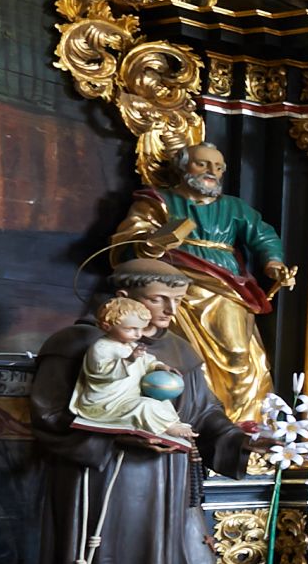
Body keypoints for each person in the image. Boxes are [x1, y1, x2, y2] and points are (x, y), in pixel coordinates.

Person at [27, 261, 260, 564]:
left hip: (171, 492)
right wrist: (120, 437)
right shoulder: (75, 344)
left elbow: (204, 415)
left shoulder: (179, 351)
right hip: (105, 489)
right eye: (159, 299)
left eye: (178, 300)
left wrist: (246, 441)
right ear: (123, 298)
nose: (171, 310)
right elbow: (49, 417)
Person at [106, 141, 292, 426]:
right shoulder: (158, 201)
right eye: (202, 164)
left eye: (217, 167)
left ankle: (238, 423)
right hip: (172, 286)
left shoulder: (234, 207)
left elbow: (263, 236)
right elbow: (130, 237)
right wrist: (151, 244)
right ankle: (187, 418)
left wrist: (274, 264)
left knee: (237, 354)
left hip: (225, 287)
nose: (211, 171)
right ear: (183, 167)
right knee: (177, 355)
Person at [66, 295, 196, 452]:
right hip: (106, 403)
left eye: (141, 329)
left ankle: (172, 424)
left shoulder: (130, 345)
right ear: (107, 326)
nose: (138, 334)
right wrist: (128, 360)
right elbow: (100, 372)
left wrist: (160, 367)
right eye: (131, 329)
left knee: (160, 401)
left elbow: (147, 361)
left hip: (128, 398)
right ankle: (168, 428)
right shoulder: (101, 347)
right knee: (144, 406)